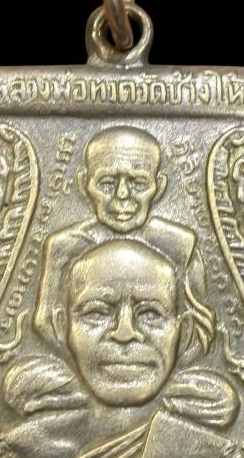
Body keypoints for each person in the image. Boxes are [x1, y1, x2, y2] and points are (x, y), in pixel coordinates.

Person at [4, 240, 238, 458]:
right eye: (97, 311)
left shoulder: (212, 454)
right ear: (62, 326)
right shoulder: (24, 447)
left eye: (150, 313)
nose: (124, 333)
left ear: (184, 331)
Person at [34, 126, 213, 355]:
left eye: (138, 183)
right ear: (83, 184)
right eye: (107, 183)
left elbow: (201, 334)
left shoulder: (181, 246)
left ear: (159, 187)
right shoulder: (63, 248)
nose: (122, 194)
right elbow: (45, 326)